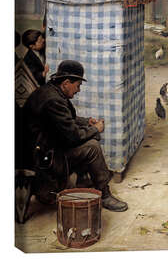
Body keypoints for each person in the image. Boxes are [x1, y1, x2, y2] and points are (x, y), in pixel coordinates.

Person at [22, 60, 128, 211]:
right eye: (77, 85)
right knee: (92, 146)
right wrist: (96, 129)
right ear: (66, 83)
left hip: (44, 147)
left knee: (90, 135)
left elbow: (63, 120)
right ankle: (104, 194)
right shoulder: (54, 100)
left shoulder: (50, 91)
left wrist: (86, 122)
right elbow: (73, 136)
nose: (78, 90)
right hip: (44, 158)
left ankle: (83, 180)